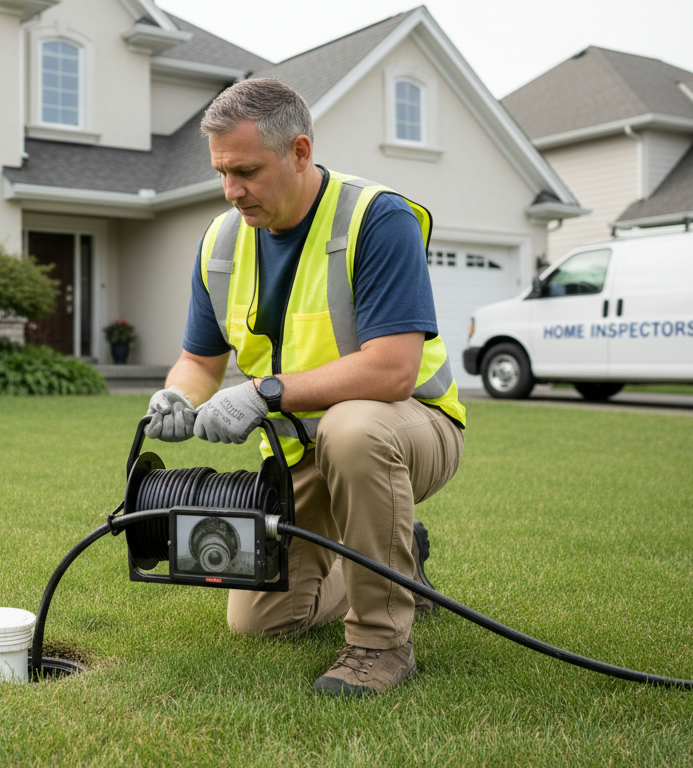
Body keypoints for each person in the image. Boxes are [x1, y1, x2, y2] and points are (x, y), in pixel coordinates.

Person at [145, 78, 466, 697]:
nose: (232, 191)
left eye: (246, 171)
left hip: (406, 429)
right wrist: (180, 394)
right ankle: (400, 561)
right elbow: (199, 360)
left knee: (353, 429)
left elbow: (393, 369)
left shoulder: (377, 219)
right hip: (297, 450)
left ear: (298, 151)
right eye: (221, 172)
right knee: (260, 622)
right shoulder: (220, 242)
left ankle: (379, 645)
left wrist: (263, 392)